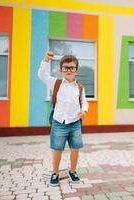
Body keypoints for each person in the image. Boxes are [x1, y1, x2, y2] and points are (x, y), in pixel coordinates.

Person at [38, 51, 88, 186]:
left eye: (72, 67)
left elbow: (84, 102)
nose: (69, 70)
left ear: (76, 70)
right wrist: (46, 60)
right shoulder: (56, 83)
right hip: (59, 122)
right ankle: (55, 173)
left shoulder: (80, 87)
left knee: (75, 148)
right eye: (66, 67)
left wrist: (84, 111)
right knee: (57, 148)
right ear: (61, 70)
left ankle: (72, 171)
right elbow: (42, 75)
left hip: (75, 122)